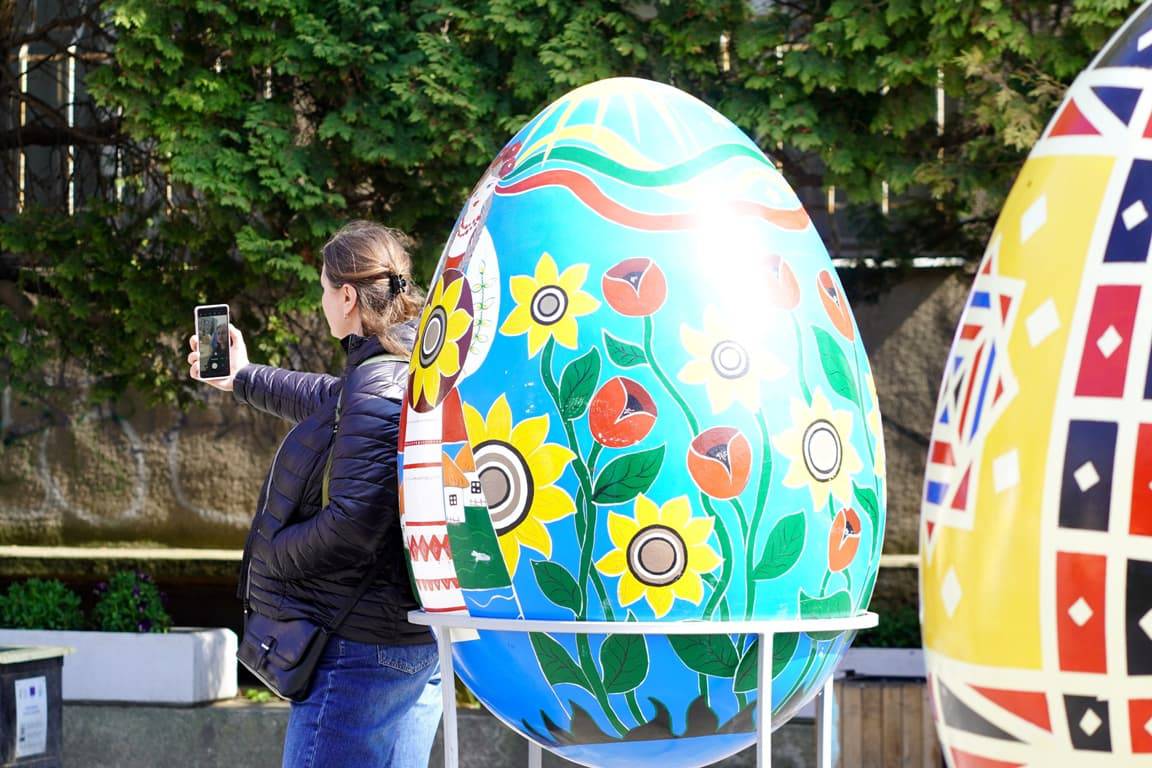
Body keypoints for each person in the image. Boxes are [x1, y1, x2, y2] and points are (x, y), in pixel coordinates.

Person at [186, 221, 442, 768]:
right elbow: (331, 400)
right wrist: (242, 376)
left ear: (347, 296)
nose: (321, 300)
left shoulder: (377, 383)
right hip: (410, 641)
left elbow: (350, 528)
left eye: (324, 289)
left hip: (361, 655)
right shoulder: (408, 360)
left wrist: (271, 553)